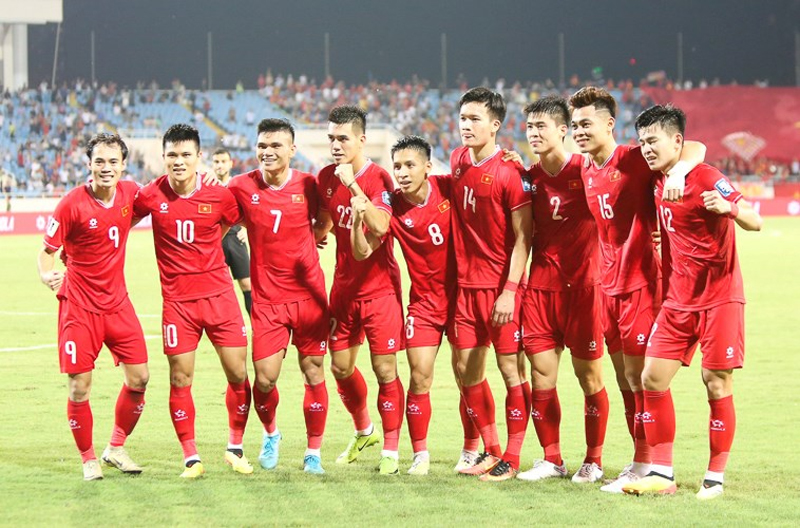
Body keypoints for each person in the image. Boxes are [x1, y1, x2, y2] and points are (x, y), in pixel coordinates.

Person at [569, 86, 706, 490]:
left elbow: (694, 147)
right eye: (574, 125)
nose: (579, 131)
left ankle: (651, 465)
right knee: (626, 380)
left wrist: (678, 172)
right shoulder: (586, 168)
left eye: (586, 123)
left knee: (643, 378)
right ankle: (639, 461)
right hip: (608, 287)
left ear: (609, 124)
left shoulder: (632, 158)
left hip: (642, 283)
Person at [622, 105, 762, 499]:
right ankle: (662, 474)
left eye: (653, 141)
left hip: (720, 298)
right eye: (642, 142)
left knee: (716, 382)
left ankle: (714, 477)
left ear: (676, 141)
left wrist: (729, 208)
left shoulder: (706, 177)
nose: (647, 149)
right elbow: (692, 147)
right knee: (652, 378)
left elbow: (755, 220)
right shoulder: (657, 180)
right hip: (677, 301)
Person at [133, 124, 251, 478]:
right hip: (178, 305)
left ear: (199, 157)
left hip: (220, 298)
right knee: (180, 377)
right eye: (172, 155)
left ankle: (235, 447)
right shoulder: (151, 194)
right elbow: (119, 220)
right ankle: (191, 457)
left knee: (238, 373)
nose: (179, 161)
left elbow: (238, 222)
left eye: (186, 154)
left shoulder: (219, 195)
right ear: (163, 157)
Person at [38, 132, 148, 481]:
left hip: (118, 304)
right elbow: (47, 252)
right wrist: (47, 274)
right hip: (79, 307)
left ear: (123, 165)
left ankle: (115, 448)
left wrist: (204, 180)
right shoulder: (71, 204)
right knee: (79, 386)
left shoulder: (131, 193)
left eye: (113, 161)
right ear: (89, 164)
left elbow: (165, 197)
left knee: (140, 378)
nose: (106, 167)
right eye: (99, 161)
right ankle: (88, 458)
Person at [227, 119, 330, 475]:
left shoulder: (309, 184)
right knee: (265, 378)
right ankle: (271, 433)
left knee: (313, 371)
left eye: (275, 146)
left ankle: (313, 452)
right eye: (262, 146)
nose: (267, 152)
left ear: (292, 149)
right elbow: (222, 219)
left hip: (309, 297)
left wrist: (317, 235)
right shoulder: (241, 186)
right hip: (268, 301)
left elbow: (325, 217)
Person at [350, 135, 458, 476]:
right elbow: (363, 251)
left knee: (467, 376)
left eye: (410, 165)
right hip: (424, 305)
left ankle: (472, 450)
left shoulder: (449, 187)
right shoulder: (392, 206)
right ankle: (420, 454)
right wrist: (356, 218)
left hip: (462, 300)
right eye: (397, 166)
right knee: (419, 377)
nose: (402, 172)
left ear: (428, 167)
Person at [515, 96, 609, 483]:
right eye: (529, 127)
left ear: (563, 131)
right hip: (540, 289)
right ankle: (551, 459)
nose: (533, 133)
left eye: (541, 127)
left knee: (589, 377)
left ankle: (593, 460)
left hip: (584, 289)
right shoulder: (528, 178)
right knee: (542, 377)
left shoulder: (586, 170)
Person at [316, 105, 406, 475]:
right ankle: (364, 430)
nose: (336, 145)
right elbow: (325, 217)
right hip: (343, 290)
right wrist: (319, 233)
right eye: (331, 139)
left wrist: (352, 184)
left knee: (385, 369)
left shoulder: (378, 178)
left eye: (343, 138)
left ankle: (391, 451)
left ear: (361, 140)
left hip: (380, 291)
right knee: (340, 367)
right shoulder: (325, 178)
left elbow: (381, 226)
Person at [449, 87, 533, 480]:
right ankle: (492, 449)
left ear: (495, 124)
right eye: (462, 118)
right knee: (467, 370)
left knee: (510, 370)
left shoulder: (509, 172)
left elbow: (523, 238)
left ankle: (512, 459)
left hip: (501, 289)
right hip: (466, 289)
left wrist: (510, 291)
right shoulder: (457, 160)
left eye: (474, 119)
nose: (466, 125)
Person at [211, 148, 252, 316]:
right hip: (215, 241)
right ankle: (218, 323)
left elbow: (250, 211)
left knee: (247, 284)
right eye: (216, 162)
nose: (220, 165)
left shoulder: (237, 186)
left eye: (223, 161)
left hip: (236, 238)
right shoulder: (207, 187)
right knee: (215, 288)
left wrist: (246, 230)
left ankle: (257, 325)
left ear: (230, 164)